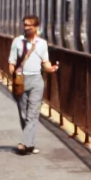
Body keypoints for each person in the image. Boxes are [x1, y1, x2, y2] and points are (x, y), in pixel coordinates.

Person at [8, 15, 58, 155]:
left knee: (33, 114)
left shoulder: (42, 43)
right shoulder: (17, 42)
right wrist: (14, 75)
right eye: (25, 24)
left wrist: (50, 69)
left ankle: (24, 143)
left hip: (36, 79)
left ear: (36, 27)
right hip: (21, 80)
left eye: (30, 25)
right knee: (23, 114)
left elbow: (45, 62)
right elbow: (11, 62)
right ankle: (30, 144)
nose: (27, 27)